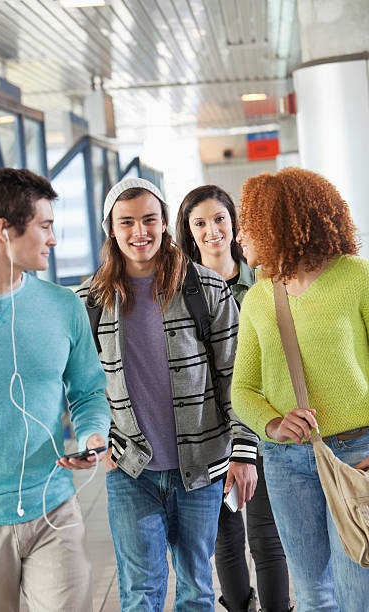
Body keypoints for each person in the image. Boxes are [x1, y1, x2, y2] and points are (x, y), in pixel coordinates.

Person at [76, 177, 259, 611]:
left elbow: (237, 377)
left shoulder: (206, 289)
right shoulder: (89, 300)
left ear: (163, 223)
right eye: (127, 223)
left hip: (201, 466)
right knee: (140, 591)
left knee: (196, 588)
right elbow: (76, 380)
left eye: (149, 220)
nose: (139, 232)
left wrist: (244, 450)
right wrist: (95, 437)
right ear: (111, 229)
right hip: (130, 468)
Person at [0, 168, 111, 612]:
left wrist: (92, 437)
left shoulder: (64, 306)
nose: (53, 239)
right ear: (3, 230)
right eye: (45, 226)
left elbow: (88, 392)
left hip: (55, 509)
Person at [231, 167, 369, 612]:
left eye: (248, 225)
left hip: (356, 456)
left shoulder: (357, 278)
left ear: (282, 222)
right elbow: (244, 389)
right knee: (311, 594)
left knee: (357, 592)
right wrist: (272, 422)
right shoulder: (257, 298)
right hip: (287, 462)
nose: (239, 237)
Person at [176, 185, 291, 612]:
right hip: (208, 432)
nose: (212, 231)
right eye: (200, 223)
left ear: (234, 223)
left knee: (266, 533)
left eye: (219, 219)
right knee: (225, 536)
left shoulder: (265, 281)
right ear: (188, 232)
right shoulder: (180, 290)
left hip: (263, 421)